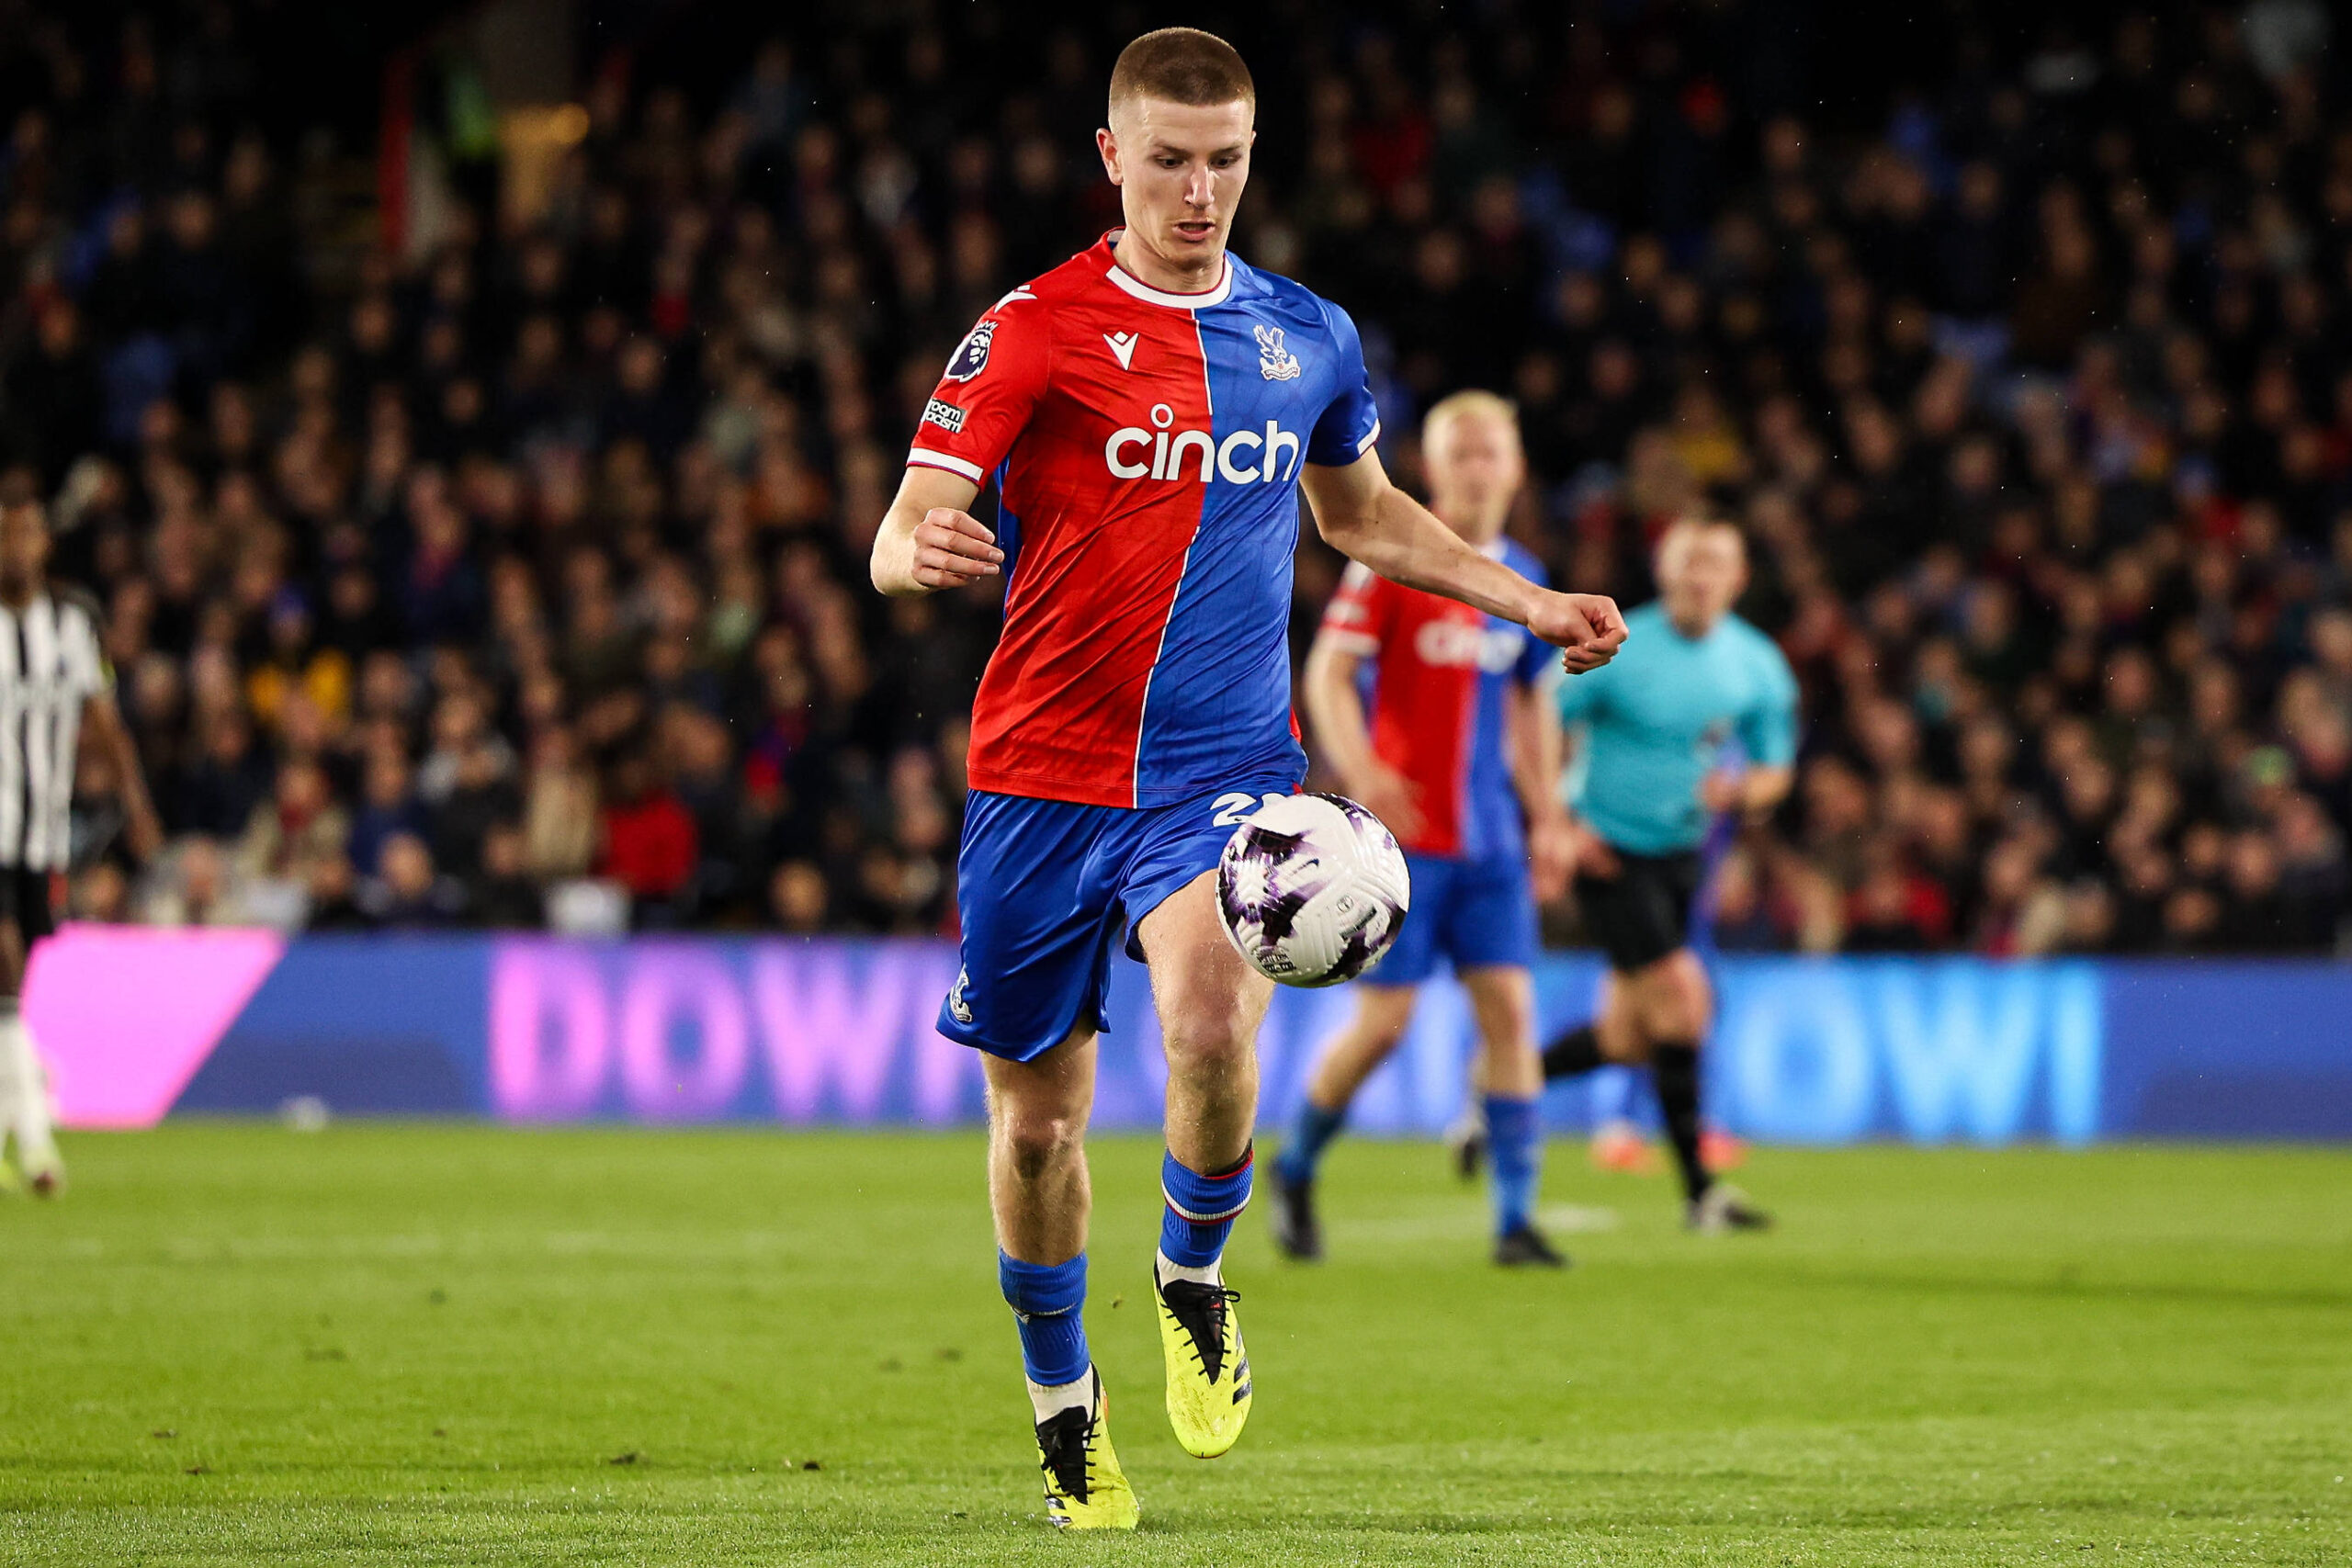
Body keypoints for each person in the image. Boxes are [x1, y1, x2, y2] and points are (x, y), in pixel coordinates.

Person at [866, 28, 1625, 1530]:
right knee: (1039, 1128)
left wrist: (1524, 601)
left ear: (1251, 158)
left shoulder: (1310, 337)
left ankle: (1194, 1275)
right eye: (1168, 160)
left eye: (1224, 161)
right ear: (1112, 158)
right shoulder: (1028, 331)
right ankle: (1064, 1411)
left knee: (1213, 1009)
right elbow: (907, 521)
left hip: (1219, 773)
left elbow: (1364, 516)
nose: (1198, 191)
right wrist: (910, 557)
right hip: (1036, 781)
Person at [1269, 390, 1574, 1269]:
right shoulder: (1395, 562)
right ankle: (1297, 1165)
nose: (1478, 467)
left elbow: (1526, 709)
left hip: (1491, 846)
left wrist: (1548, 814)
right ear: (1433, 468)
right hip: (1399, 847)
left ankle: (1515, 1221)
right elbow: (1327, 673)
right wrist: (1362, 773)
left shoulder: (1521, 575)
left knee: (1512, 1014)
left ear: (1516, 467)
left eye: (1492, 452)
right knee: (1385, 1025)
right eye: (1461, 453)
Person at [1538, 517, 1793, 1233]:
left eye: (1715, 561)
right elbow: (1542, 717)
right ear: (1664, 570)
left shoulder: (1757, 664)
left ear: (1739, 578)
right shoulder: (1619, 646)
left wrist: (1743, 793)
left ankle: (1497, 1088)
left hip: (1684, 856)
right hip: (1608, 851)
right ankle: (1701, 1193)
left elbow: (1775, 770)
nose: (1700, 575)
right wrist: (1559, 819)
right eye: (1688, 561)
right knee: (1686, 997)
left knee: (1626, 1036)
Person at [0, 495, 161, 1194]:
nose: (14, 544)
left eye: (26, 531)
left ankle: (17, 1113)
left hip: (42, 837)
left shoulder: (70, 626)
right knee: (4, 963)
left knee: (14, 981)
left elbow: (105, 722)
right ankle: (37, 1143)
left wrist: (138, 807)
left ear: (44, 543)